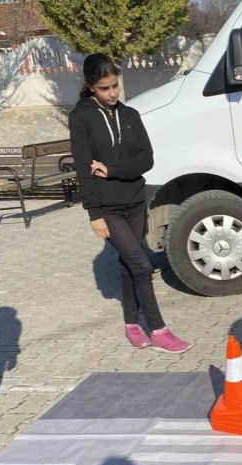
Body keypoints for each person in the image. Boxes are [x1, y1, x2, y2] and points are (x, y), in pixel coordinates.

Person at [69, 54, 191, 353]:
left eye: (115, 86)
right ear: (90, 86)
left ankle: (131, 324)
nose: (112, 93)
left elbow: (146, 160)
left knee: (128, 265)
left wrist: (112, 170)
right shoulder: (81, 117)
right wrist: (94, 214)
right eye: (104, 88)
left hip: (136, 202)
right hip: (107, 209)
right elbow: (84, 169)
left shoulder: (131, 115)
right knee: (142, 265)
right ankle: (159, 329)